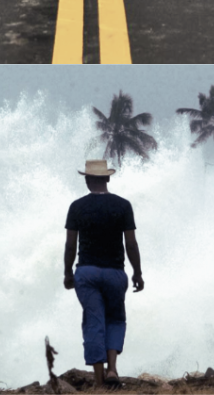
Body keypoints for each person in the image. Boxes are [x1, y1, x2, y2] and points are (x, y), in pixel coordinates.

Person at [63, 159, 144, 388]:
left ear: (88, 180)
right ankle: (113, 369)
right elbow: (131, 244)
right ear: (107, 179)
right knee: (116, 318)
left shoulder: (77, 207)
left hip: (87, 273)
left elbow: (70, 246)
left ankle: (99, 383)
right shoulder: (123, 205)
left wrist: (68, 273)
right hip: (114, 273)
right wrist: (137, 272)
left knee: (93, 321)